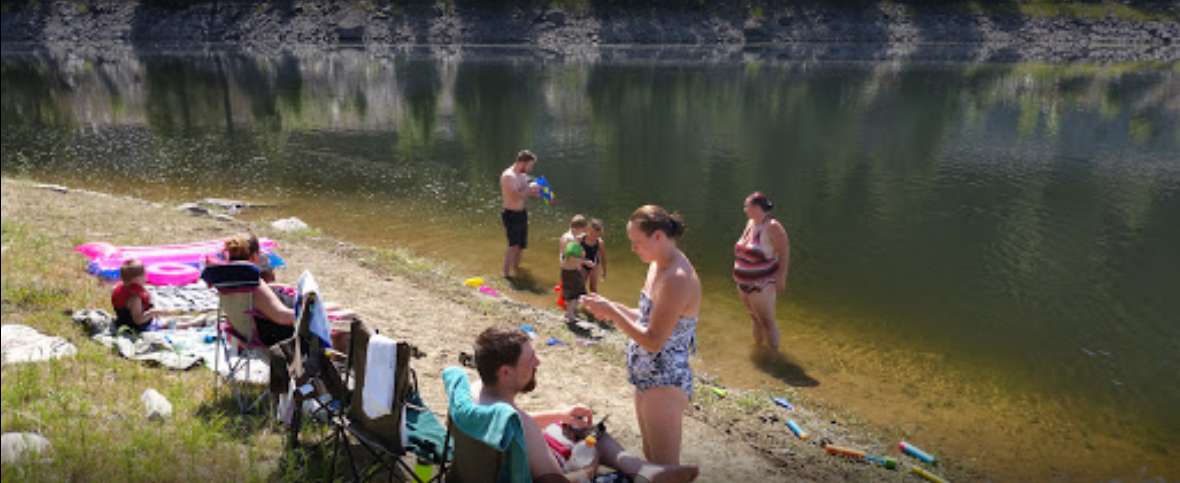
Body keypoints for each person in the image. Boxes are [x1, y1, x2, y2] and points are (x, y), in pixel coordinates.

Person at [470, 325, 699, 483]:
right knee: (610, 466)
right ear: (505, 372)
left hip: (497, 468)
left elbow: (517, 421)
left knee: (580, 425)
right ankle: (638, 474)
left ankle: (640, 468)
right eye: (530, 359)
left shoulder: (474, 392)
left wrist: (560, 414)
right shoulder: (525, 429)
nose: (538, 362)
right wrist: (589, 470)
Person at [580, 206, 700, 466]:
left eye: (637, 242)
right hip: (645, 376)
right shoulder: (657, 264)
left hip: (665, 382)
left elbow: (654, 341)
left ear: (658, 236)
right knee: (650, 455)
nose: (633, 248)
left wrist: (613, 313)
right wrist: (611, 306)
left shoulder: (677, 278)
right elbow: (647, 317)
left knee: (665, 468)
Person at [733, 192, 790, 350]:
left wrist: (781, 279)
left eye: (747, 206)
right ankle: (759, 351)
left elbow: (784, 253)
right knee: (755, 319)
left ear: (757, 207)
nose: (744, 209)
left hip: (762, 283)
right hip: (743, 282)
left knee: (767, 322)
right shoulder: (750, 223)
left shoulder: (773, 227)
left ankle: (773, 356)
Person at [224, 233, 296, 346]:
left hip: (241, 332)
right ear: (254, 257)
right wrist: (310, 314)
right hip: (272, 338)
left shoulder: (226, 280)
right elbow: (282, 317)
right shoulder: (253, 283)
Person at [501, 150, 544, 279]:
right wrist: (529, 190)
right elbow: (514, 196)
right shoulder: (509, 176)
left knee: (521, 245)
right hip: (511, 213)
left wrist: (538, 192)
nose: (531, 168)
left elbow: (524, 193)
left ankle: (517, 270)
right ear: (522, 163)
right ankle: (506, 275)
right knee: (513, 245)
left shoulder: (522, 175)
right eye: (530, 165)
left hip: (522, 213)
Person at [111, 260, 165, 333]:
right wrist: (151, 313)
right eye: (144, 275)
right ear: (136, 279)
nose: (146, 278)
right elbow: (138, 320)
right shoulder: (134, 298)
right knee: (170, 325)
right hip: (136, 328)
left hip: (123, 322)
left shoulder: (122, 288)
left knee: (165, 321)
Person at [560, 215, 596, 324]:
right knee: (578, 293)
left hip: (565, 269)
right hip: (571, 270)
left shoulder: (565, 236)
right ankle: (570, 314)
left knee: (569, 293)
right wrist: (585, 261)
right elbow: (570, 258)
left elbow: (564, 255)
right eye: (583, 229)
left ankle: (569, 313)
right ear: (580, 227)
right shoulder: (571, 239)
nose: (583, 232)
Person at [581, 218, 608, 294]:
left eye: (597, 234)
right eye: (593, 234)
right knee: (581, 285)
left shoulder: (599, 242)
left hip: (594, 265)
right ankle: (580, 300)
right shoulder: (582, 238)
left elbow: (603, 257)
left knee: (593, 288)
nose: (595, 236)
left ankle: (594, 300)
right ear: (588, 229)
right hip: (583, 264)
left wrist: (604, 271)